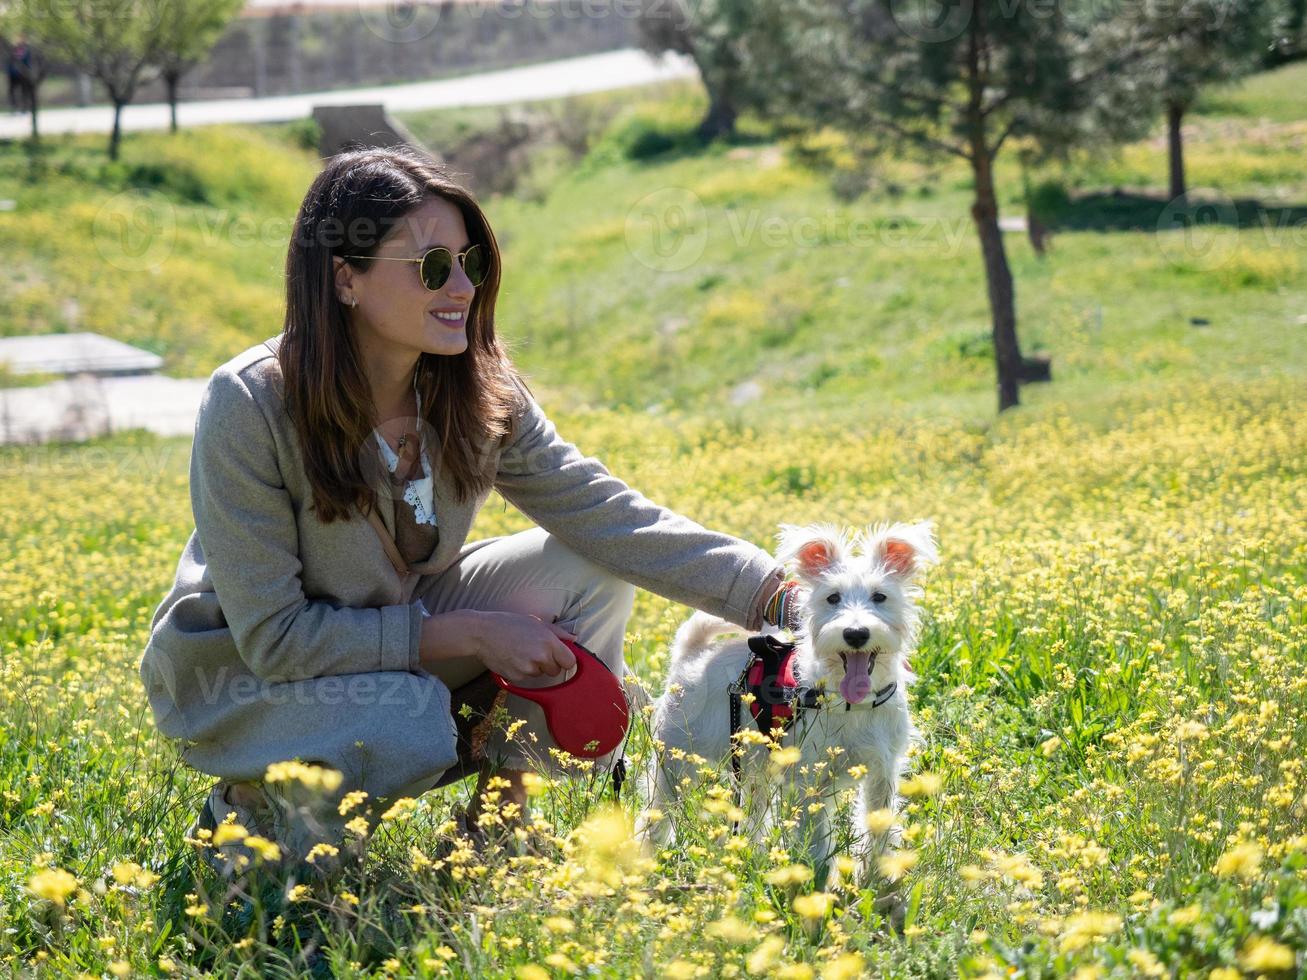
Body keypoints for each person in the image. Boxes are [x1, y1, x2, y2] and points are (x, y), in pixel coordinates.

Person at [138, 146, 803, 874]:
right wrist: (475, 635)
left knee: (587, 565)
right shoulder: (250, 401)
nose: (462, 287)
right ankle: (247, 816)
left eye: (472, 262)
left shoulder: (477, 387)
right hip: (248, 672)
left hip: (396, 627)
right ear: (345, 278)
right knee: (404, 726)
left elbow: (604, 514)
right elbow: (276, 637)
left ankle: (496, 823)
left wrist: (775, 593)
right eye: (430, 266)